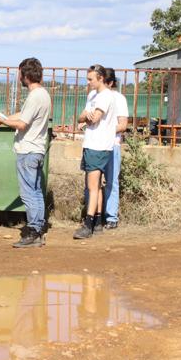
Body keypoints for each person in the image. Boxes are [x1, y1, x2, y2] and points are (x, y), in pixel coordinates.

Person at [0, 57, 51, 248]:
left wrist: (3, 121)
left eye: (20, 74)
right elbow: (23, 116)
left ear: (25, 75)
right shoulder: (43, 95)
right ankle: (39, 229)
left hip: (28, 150)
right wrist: (3, 117)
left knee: (28, 194)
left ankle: (33, 231)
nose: (19, 78)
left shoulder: (35, 96)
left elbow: (22, 124)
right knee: (36, 192)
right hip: (37, 149)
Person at [73, 64, 116, 239]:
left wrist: (88, 116)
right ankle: (97, 221)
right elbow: (82, 117)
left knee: (92, 186)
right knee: (95, 185)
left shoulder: (106, 96)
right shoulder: (93, 95)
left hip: (99, 146)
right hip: (91, 144)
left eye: (91, 79)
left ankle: (88, 223)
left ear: (100, 78)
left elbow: (94, 119)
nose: (89, 82)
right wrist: (87, 116)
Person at [104, 68, 129, 229]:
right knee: (91, 183)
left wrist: (104, 131)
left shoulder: (119, 99)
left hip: (112, 145)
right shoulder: (95, 97)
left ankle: (111, 217)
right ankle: (95, 215)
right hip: (95, 146)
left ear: (110, 83)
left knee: (111, 182)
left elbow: (123, 125)